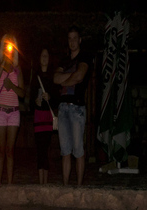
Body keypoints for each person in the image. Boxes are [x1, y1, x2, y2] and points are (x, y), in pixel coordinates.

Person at [53, 25, 93, 186]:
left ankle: (78, 187)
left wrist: (65, 79)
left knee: (78, 150)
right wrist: (70, 78)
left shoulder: (85, 57)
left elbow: (80, 76)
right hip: (62, 108)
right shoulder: (64, 59)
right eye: (70, 39)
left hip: (77, 108)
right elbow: (55, 78)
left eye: (75, 38)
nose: (72, 42)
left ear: (80, 40)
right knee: (65, 151)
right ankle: (65, 186)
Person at [0, 34, 25, 185]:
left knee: (10, 150)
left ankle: (10, 184)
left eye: (11, 48)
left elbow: (23, 93)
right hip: (0, 111)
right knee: (0, 150)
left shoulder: (17, 69)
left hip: (13, 112)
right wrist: (1, 70)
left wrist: (12, 86)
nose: (8, 50)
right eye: (6, 48)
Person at [31, 47, 58, 184]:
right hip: (38, 115)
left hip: (47, 116)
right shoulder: (35, 76)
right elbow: (30, 97)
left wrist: (50, 97)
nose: (44, 58)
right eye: (42, 55)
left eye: (46, 55)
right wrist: (35, 101)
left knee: (46, 148)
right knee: (39, 148)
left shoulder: (53, 76)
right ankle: (40, 181)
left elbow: (56, 98)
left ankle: (45, 182)